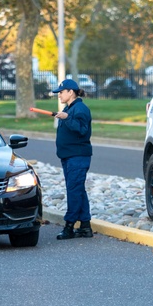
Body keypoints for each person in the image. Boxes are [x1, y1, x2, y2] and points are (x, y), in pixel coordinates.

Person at [52, 79, 93, 240]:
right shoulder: (69, 108)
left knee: (73, 190)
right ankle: (85, 226)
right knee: (78, 190)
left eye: (61, 92)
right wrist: (66, 116)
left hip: (78, 156)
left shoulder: (80, 109)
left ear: (71, 92)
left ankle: (69, 226)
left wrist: (67, 118)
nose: (59, 95)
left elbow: (82, 130)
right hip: (69, 156)